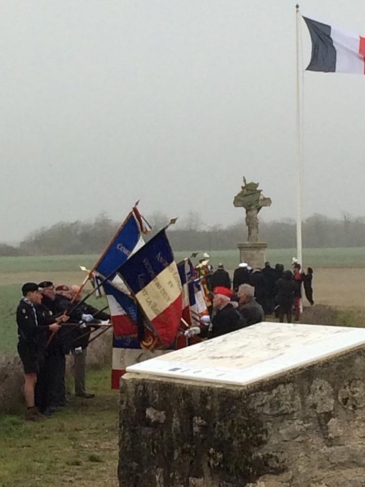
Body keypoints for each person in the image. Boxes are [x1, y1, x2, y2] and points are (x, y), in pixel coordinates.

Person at [16, 282, 61, 421]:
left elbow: (42, 320)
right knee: (30, 378)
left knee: (34, 377)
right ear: (29, 294)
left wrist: (56, 320)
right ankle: (30, 410)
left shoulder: (33, 308)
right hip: (28, 346)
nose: (39, 295)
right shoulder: (23, 309)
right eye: (36, 293)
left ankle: (36, 407)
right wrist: (49, 328)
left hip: (35, 346)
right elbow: (30, 329)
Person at [69, 285, 110, 398]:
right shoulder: (70, 307)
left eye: (80, 293)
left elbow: (94, 312)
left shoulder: (83, 305)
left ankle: (80, 388)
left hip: (83, 341)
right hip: (75, 341)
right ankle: (79, 390)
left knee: (81, 365)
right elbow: (80, 318)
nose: (79, 295)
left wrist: (110, 318)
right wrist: (98, 323)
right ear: (71, 294)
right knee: (78, 366)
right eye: (76, 293)